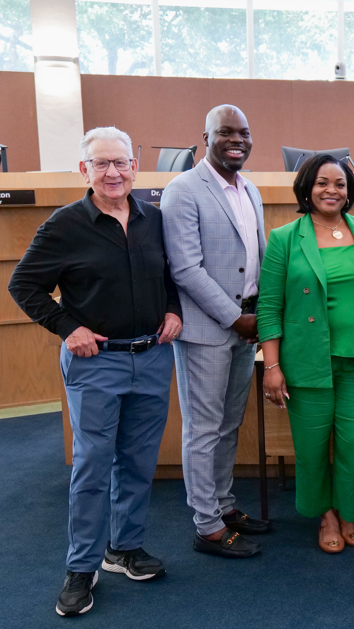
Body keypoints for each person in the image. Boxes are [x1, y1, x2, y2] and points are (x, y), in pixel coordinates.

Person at [8, 127, 182, 617]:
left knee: (138, 462)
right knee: (91, 467)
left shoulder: (154, 219)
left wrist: (172, 311)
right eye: (102, 164)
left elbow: (169, 276)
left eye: (121, 163)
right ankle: (80, 568)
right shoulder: (64, 225)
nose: (113, 172)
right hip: (95, 363)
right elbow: (24, 286)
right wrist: (68, 328)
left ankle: (123, 549)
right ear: (84, 170)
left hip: (151, 358)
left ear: (134, 167)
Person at [257, 154, 354, 553]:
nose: (331, 190)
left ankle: (348, 510)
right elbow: (269, 306)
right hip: (307, 364)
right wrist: (272, 365)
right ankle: (326, 515)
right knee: (312, 449)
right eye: (322, 182)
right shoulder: (284, 238)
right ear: (306, 188)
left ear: (349, 192)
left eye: (339, 184)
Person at [161, 104, 270, 559]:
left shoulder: (251, 190)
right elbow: (185, 268)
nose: (237, 140)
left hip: (247, 326)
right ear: (205, 137)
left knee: (229, 423)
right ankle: (206, 525)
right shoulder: (183, 190)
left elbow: (257, 258)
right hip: (210, 329)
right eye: (226, 132)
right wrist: (234, 317)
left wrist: (258, 314)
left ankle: (223, 505)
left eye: (243, 132)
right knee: (203, 428)